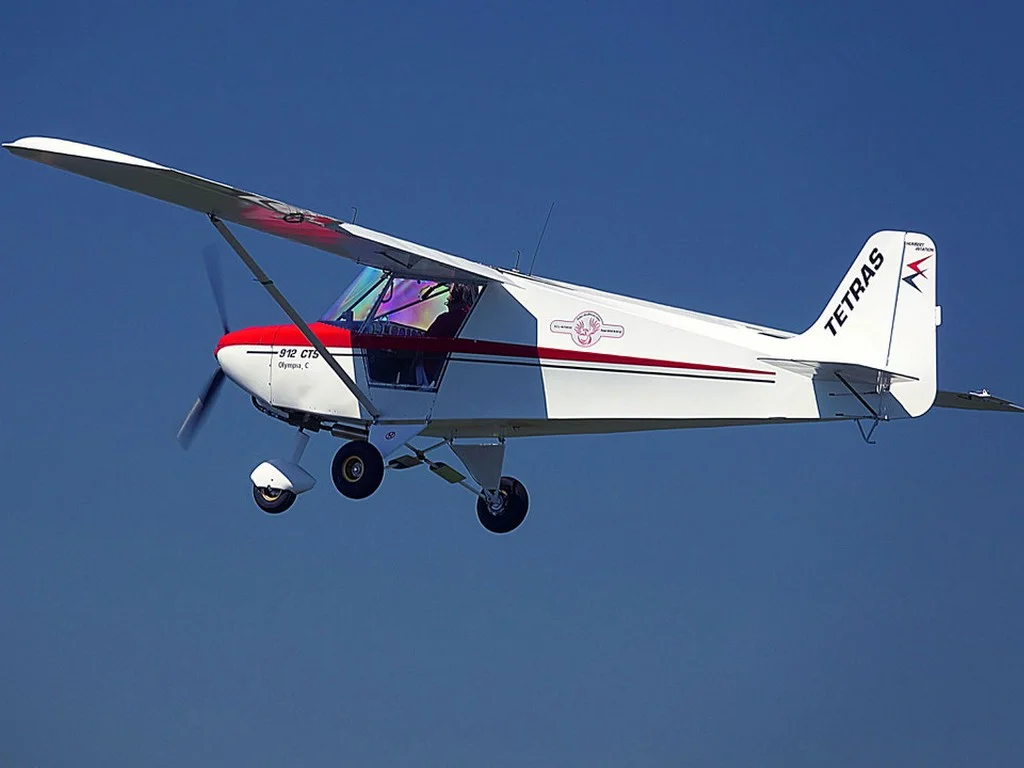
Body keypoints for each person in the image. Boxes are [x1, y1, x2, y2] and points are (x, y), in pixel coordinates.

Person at [417, 284, 475, 385]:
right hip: (458, 374)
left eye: (450, 294)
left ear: (457, 298)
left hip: (436, 372)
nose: (447, 299)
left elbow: (425, 341)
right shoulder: (473, 319)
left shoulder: (445, 319)